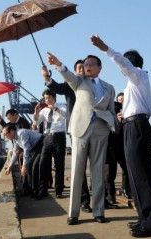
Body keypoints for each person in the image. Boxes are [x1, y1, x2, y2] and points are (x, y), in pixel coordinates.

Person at [91, 34, 151, 238]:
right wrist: (123, 114)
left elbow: (123, 62)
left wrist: (105, 48)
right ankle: (145, 218)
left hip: (136, 127)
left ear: (132, 63)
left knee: (141, 175)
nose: (122, 70)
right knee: (137, 174)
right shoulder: (134, 84)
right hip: (133, 126)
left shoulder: (137, 74)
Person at [46, 51, 116, 225]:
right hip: (80, 130)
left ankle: (99, 211)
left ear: (100, 67)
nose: (87, 66)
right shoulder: (79, 81)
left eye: (92, 63)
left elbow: (112, 110)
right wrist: (58, 64)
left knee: (98, 171)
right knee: (77, 171)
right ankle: (73, 213)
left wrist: (114, 124)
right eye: (85, 64)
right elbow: (68, 75)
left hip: (101, 130)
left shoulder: (109, 87)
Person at [42, 61, 93, 213]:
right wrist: (47, 77)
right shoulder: (70, 85)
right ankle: (84, 201)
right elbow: (56, 87)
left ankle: (102, 198)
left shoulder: (94, 84)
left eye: (84, 68)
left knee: (99, 166)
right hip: (77, 129)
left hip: (95, 128)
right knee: (80, 166)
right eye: (78, 68)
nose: (81, 70)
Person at [32, 89, 66, 199]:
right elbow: (36, 123)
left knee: (59, 164)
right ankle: (43, 189)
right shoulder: (44, 110)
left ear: (54, 97)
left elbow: (65, 115)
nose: (47, 100)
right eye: (45, 98)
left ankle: (59, 190)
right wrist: (36, 111)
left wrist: (55, 108)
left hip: (59, 136)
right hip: (47, 137)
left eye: (49, 98)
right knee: (43, 163)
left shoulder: (62, 105)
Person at [3, 124, 44, 197]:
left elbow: (26, 148)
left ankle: (36, 191)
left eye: (6, 134)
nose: (6, 137)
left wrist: (24, 165)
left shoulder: (21, 133)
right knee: (30, 168)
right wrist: (10, 166)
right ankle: (30, 190)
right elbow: (15, 153)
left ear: (11, 131)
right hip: (34, 148)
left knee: (33, 167)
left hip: (41, 144)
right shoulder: (15, 139)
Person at [115, 92, 132, 200]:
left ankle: (125, 188)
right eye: (119, 100)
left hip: (126, 144)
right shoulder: (114, 111)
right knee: (109, 171)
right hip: (115, 144)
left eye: (123, 100)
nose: (121, 102)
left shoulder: (130, 111)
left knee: (126, 167)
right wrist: (118, 120)